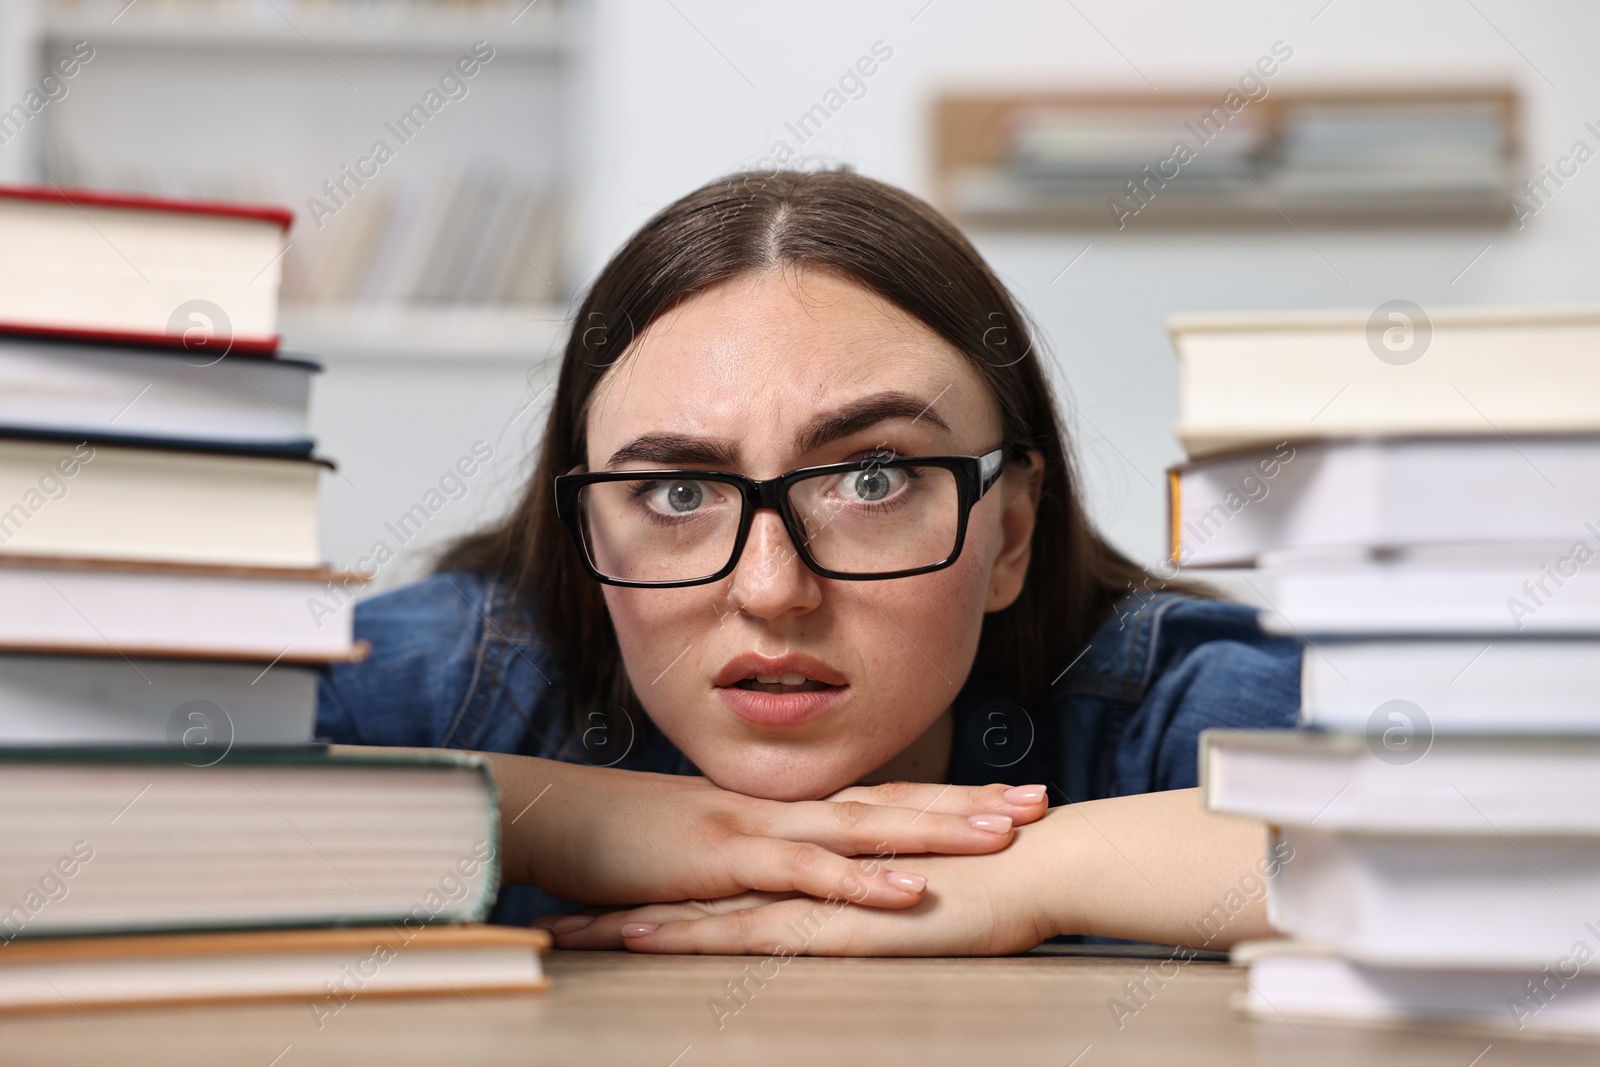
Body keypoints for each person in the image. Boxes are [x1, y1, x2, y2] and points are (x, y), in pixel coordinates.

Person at [317, 169, 1300, 956]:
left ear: (1008, 533)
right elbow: (165, 783)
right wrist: (543, 815)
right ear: (584, 542)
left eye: (871, 481)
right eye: (679, 493)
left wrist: (1034, 872)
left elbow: (1444, 814)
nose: (771, 590)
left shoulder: (1142, 701)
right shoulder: (470, 669)